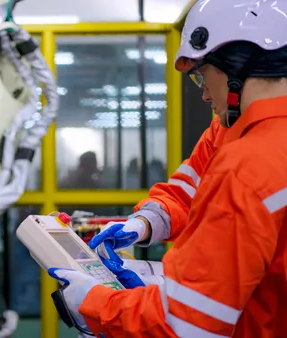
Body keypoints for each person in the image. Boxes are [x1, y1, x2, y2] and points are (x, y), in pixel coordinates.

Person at [48, 1, 287, 337]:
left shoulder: (245, 164)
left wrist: (95, 304)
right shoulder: (233, 132)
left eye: (202, 75)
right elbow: (189, 191)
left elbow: (187, 324)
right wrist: (144, 223)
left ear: (237, 64)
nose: (204, 94)